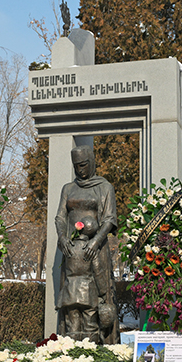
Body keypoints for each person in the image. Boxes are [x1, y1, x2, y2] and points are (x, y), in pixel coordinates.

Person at [55, 144, 119, 344]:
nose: (80, 170)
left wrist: (96, 241)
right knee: (71, 299)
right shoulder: (68, 188)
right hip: (72, 251)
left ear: (91, 162)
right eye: (76, 167)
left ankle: (102, 342)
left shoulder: (104, 187)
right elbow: (60, 217)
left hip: (95, 249)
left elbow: (110, 219)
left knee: (98, 296)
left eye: (83, 165)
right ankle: (69, 342)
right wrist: (63, 238)